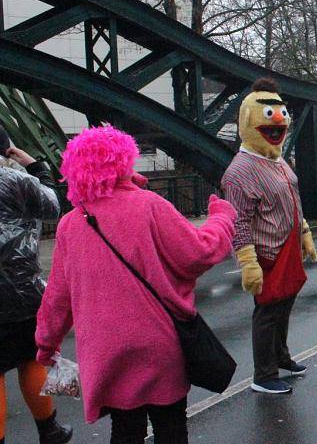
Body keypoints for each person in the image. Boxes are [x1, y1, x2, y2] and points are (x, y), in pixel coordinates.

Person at [34, 126, 236, 443]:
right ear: (124, 161)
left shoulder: (70, 225)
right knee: (171, 427)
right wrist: (222, 216)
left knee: (125, 430)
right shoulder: (149, 206)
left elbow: (57, 298)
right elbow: (199, 253)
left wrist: (47, 346)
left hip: (106, 349)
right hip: (158, 343)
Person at [223, 78, 317, 396]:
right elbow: (238, 221)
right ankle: (263, 375)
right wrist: (247, 262)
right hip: (267, 251)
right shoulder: (239, 171)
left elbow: (291, 199)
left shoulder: (276, 159)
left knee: (284, 305)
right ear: (248, 119)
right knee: (268, 310)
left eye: (281, 113)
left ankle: (281, 357)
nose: (278, 120)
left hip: (287, 246)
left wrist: (304, 231)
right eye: (268, 113)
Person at [0, 132, 72, 444]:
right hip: (21, 292)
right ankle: (49, 430)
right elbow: (53, 206)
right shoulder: (17, 181)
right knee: (29, 359)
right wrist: (37, 167)